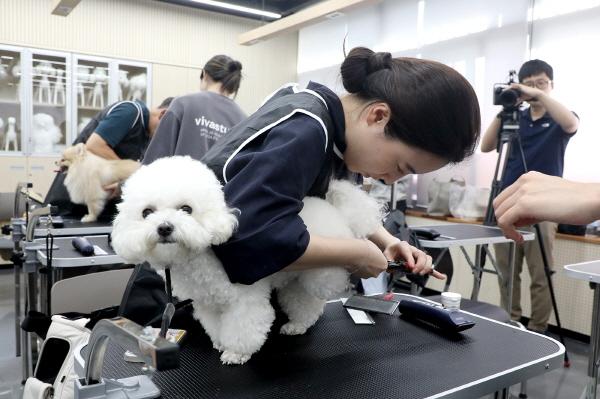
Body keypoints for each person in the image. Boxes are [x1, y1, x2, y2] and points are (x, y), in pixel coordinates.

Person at [200, 47, 481, 286]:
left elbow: (339, 197)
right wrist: (354, 252)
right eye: (400, 166)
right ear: (378, 116)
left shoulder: (335, 133)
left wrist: (386, 241)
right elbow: (252, 238)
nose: (392, 180)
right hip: (207, 289)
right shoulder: (305, 129)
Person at [480, 59, 579, 332]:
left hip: (547, 206)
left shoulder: (557, 118)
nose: (535, 89)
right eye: (530, 84)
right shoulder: (515, 119)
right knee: (508, 273)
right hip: (509, 202)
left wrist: (539, 96)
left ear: (551, 85)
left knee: (541, 274)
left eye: (542, 83)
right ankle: (509, 324)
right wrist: (506, 109)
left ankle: (538, 330)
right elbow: (487, 146)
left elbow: (571, 124)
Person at [44, 97, 173, 219]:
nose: (166, 136)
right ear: (163, 115)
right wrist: (129, 175)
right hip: (71, 204)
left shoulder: (144, 135)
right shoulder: (130, 111)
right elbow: (95, 145)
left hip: (95, 204)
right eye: (169, 130)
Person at [142, 55, 246, 165]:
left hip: (178, 181)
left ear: (205, 74)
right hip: (218, 183)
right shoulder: (243, 120)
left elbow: (154, 158)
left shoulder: (182, 104)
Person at [494, 171, 600, 242]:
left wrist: (595, 195)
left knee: (539, 270)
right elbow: (485, 147)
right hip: (509, 207)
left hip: (542, 208)